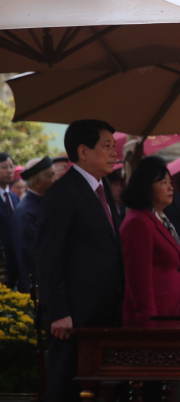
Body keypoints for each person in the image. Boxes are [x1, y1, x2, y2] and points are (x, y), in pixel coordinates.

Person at [36, 120, 124, 402]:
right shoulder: (63, 192)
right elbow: (49, 257)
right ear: (83, 151)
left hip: (105, 313)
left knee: (102, 389)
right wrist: (58, 311)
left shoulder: (103, 187)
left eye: (114, 146)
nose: (114, 152)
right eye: (107, 146)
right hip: (74, 318)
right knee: (65, 388)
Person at [119, 156, 180, 323]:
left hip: (168, 314)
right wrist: (147, 319)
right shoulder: (138, 222)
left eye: (170, 182)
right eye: (163, 183)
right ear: (147, 188)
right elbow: (138, 278)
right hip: (153, 319)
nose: (171, 187)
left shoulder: (159, 218)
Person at [11, 157, 56, 293]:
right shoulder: (26, 212)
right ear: (37, 182)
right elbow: (33, 256)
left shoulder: (43, 204)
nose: (55, 180)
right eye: (51, 176)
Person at [0, 152, 20, 287]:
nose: (9, 171)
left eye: (11, 167)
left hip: (16, 257)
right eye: (4, 167)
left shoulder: (14, 197)